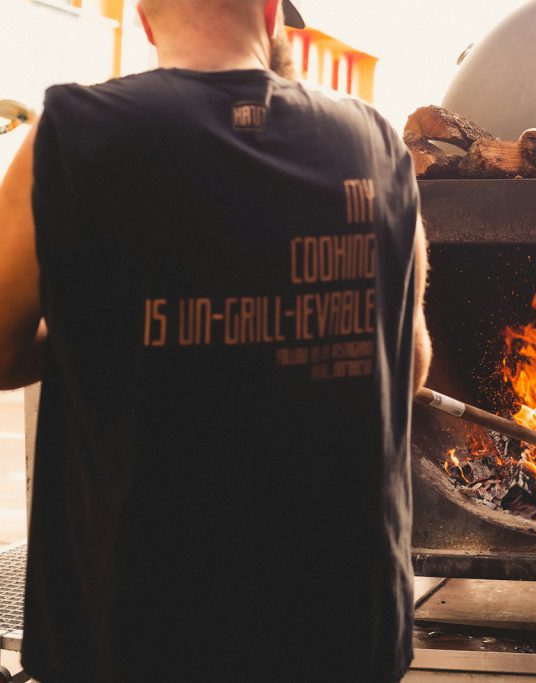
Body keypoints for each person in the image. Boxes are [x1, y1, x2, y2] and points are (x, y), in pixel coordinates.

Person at [0, 0, 431, 680]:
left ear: (145, 18)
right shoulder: (378, 143)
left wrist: (106, 324)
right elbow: (410, 364)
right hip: (342, 627)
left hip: (135, 628)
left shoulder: (71, 134)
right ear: (268, 13)